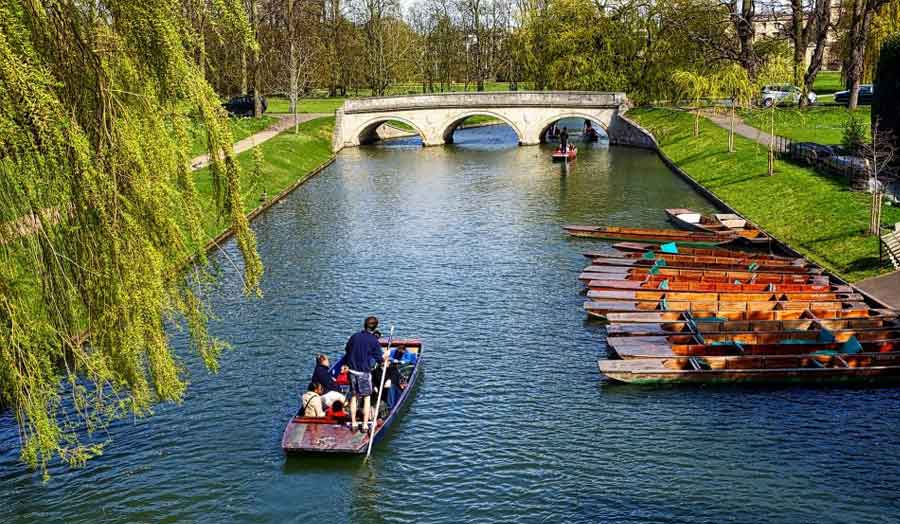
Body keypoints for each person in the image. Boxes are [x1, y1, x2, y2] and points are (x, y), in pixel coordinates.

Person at [344, 316, 389, 432]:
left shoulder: (354, 336)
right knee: (367, 397)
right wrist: (386, 356)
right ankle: (364, 425)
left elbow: (347, 349)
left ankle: (354, 423)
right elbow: (379, 359)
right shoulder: (373, 340)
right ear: (375, 327)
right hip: (363, 373)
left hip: (352, 371)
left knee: (354, 396)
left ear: (364, 325)